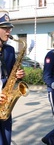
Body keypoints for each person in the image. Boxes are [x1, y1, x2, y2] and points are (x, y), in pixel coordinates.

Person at [0, 9, 25, 145]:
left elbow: (10, 74)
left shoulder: (9, 50)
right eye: (5, 28)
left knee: (6, 140)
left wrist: (17, 75)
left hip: (5, 101)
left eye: (9, 28)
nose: (9, 31)